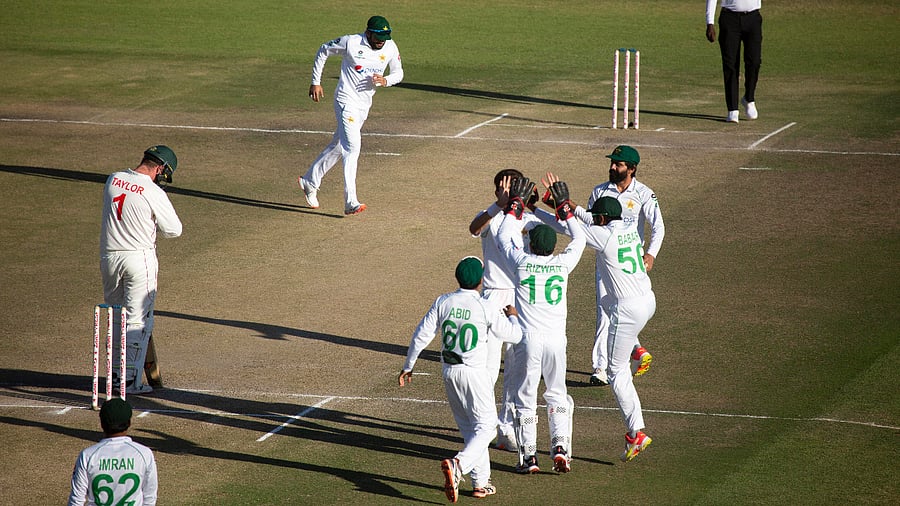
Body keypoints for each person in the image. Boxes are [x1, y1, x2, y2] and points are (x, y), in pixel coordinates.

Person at [539, 192, 656, 462]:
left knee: (616, 372)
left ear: (601, 219)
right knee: (606, 301)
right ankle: (635, 348)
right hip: (647, 301)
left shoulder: (603, 236)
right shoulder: (626, 228)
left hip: (628, 310)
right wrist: (563, 206)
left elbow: (567, 228)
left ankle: (636, 433)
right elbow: (588, 218)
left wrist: (541, 209)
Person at [399, 257, 523, 502]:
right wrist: (513, 316)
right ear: (480, 280)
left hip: (449, 373)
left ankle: (481, 483)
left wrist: (408, 366)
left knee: (470, 429)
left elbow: (421, 334)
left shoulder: (443, 301)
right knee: (487, 427)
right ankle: (459, 465)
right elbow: (515, 336)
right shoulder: (485, 305)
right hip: (474, 374)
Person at [495, 176, 586, 474]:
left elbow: (503, 236)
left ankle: (529, 458)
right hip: (557, 341)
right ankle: (560, 448)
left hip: (527, 340)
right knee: (557, 394)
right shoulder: (562, 264)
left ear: (531, 243)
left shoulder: (521, 263)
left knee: (526, 398)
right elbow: (581, 238)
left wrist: (516, 206)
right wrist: (564, 209)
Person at [298, 15, 404, 216]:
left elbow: (399, 73)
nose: (382, 39)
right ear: (369, 33)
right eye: (379, 35)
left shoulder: (390, 46)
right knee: (352, 146)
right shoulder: (351, 42)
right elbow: (323, 50)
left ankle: (310, 181)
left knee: (340, 145)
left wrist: (385, 80)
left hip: (364, 104)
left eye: (385, 35)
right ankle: (350, 201)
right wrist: (315, 81)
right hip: (345, 100)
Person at [576, 145, 663, 387]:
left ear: (632, 169)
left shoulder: (644, 193)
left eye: (619, 164)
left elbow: (659, 227)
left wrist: (651, 255)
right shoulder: (599, 191)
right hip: (605, 261)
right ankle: (601, 367)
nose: (613, 167)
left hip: (631, 263)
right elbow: (589, 222)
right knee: (605, 312)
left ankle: (629, 353)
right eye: (612, 163)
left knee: (625, 311)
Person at [468, 168, 541, 453]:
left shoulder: (529, 217)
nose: (507, 193)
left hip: (521, 299)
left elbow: (545, 242)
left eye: (511, 189)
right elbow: (474, 228)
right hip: (492, 299)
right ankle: (481, 425)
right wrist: (499, 206)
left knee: (515, 369)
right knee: (488, 369)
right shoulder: (491, 214)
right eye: (502, 189)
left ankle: (506, 429)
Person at [100, 145, 182, 394]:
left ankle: (115, 376)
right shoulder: (153, 191)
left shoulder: (113, 179)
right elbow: (174, 230)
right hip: (139, 259)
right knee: (136, 321)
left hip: (110, 257)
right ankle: (129, 382)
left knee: (116, 318)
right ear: (160, 168)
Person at [68, 398, 159, 505]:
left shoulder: (87, 455)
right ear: (129, 423)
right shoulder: (144, 453)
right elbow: (149, 497)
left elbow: (76, 500)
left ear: (102, 424)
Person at [706, 0, 763, 123]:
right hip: (729, 17)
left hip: (752, 18)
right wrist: (710, 22)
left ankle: (749, 98)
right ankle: (732, 109)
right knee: (730, 64)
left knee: (754, 62)